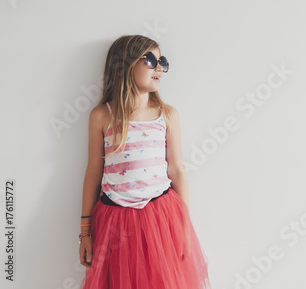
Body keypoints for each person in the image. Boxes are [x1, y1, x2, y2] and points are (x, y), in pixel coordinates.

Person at [78, 35, 211, 288]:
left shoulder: (167, 115)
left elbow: (177, 170)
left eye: (163, 61)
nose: (159, 67)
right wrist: (85, 232)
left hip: (160, 216)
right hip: (114, 220)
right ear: (125, 65)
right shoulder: (102, 116)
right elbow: (93, 172)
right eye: (151, 60)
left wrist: (184, 227)